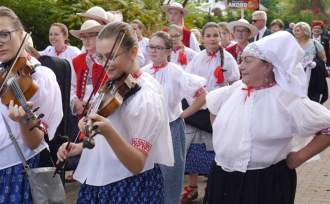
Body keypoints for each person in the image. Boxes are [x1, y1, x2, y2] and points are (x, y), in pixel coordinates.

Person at [205, 30, 330, 204]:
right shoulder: (234, 89)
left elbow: (327, 127)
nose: (241, 66)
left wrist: (300, 156)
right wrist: (223, 135)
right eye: (241, 60)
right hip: (222, 175)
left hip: (265, 182)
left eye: (248, 61)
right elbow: (213, 105)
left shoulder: (286, 98)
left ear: (268, 66)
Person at [57, 22, 174, 203]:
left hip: (129, 186)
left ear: (133, 52)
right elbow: (106, 140)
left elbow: (137, 163)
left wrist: (108, 131)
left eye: (111, 57)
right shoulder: (112, 84)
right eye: (101, 57)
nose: (105, 65)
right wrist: (80, 148)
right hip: (98, 179)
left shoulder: (147, 97)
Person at [0, 6, 63, 203]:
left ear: (21, 33)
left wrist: (23, 121)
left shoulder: (40, 77)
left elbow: (36, 141)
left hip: (19, 168)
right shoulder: (3, 72)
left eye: (4, 34)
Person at [142, 31, 206, 204]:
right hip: (148, 129)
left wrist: (182, 115)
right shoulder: (143, 72)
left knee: (170, 172)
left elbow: (201, 96)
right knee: (147, 170)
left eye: (159, 48)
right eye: (151, 47)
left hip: (171, 127)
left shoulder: (175, 71)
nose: (154, 51)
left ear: (168, 51)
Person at [182, 22, 240, 203]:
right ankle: (192, 187)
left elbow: (235, 81)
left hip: (216, 111)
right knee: (190, 148)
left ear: (221, 37)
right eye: (208, 35)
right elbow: (189, 79)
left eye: (216, 35)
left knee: (213, 148)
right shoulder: (198, 57)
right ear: (203, 38)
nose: (212, 39)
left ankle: (211, 186)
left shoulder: (227, 58)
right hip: (197, 108)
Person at [69, 20, 104, 117]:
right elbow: (72, 87)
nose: (86, 40)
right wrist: (76, 102)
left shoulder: (107, 59)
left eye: (91, 36)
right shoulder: (76, 61)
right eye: (83, 37)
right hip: (82, 115)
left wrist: (98, 104)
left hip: (103, 112)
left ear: (99, 37)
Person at [293, 22, 327, 101]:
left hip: (311, 76)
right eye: (294, 30)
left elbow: (324, 59)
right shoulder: (292, 43)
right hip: (295, 75)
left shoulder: (315, 44)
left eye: (297, 30)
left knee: (310, 99)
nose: (295, 32)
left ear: (305, 31)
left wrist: (314, 64)